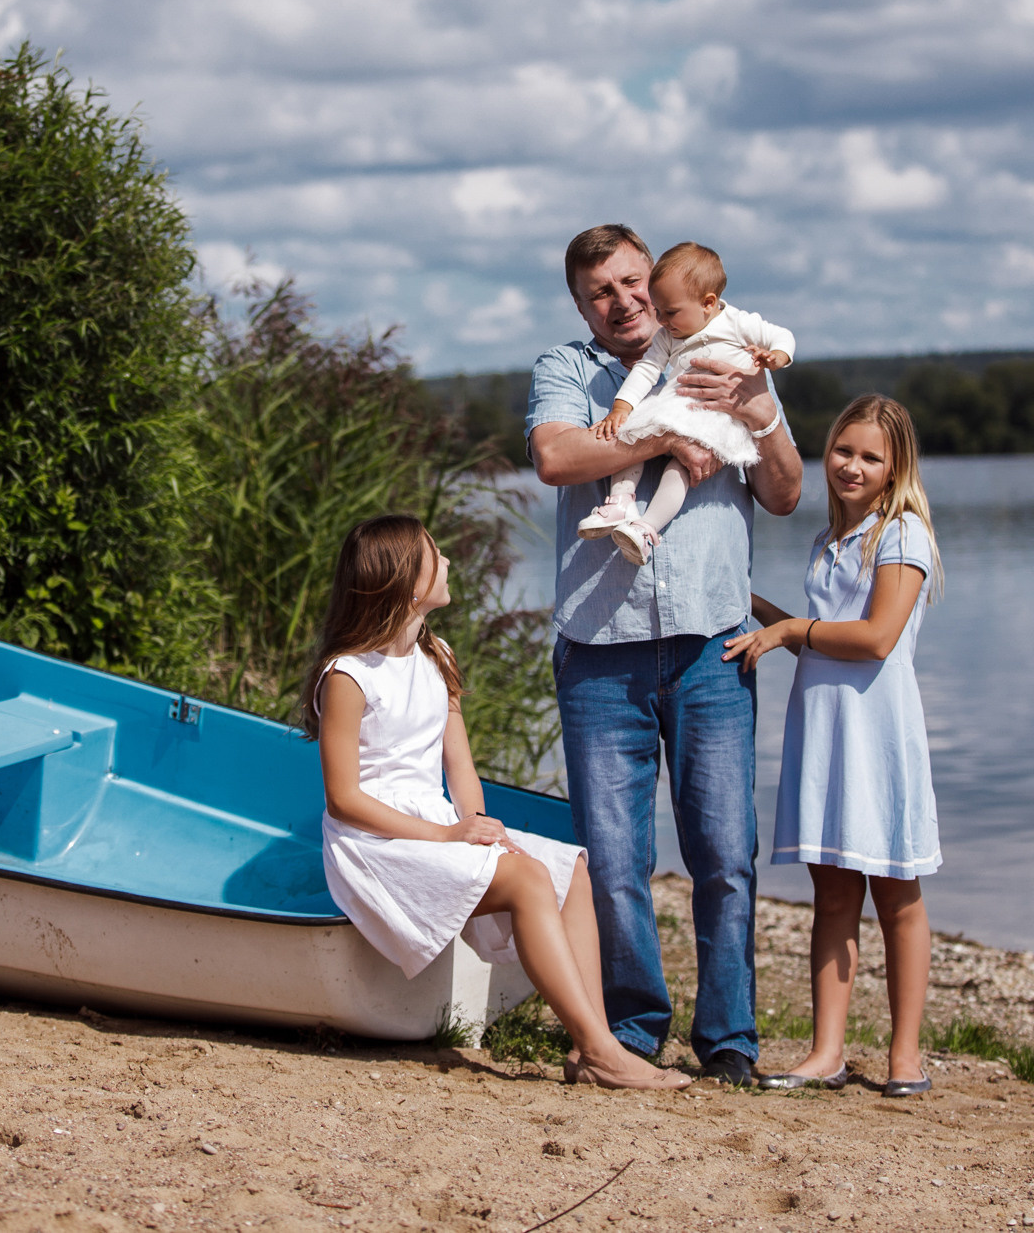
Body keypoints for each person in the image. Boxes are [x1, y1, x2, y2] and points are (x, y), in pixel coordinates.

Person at [526, 224, 802, 1086]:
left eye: (633, 281)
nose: (624, 300)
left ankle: (729, 1043)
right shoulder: (566, 370)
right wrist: (661, 435)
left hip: (712, 645)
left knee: (724, 854)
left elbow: (786, 491)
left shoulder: (729, 355)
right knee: (613, 860)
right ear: (581, 304)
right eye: (601, 290)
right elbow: (555, 454)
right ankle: (633, 1031)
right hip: (598, 650)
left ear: (659, 280)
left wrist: (754, 407)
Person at [307, 514, 689, 1090]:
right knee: (529, 880)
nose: (450, 562)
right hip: (378, 845)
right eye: (436, 554)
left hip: (435, 825)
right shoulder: (348, 675)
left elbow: (460, 770)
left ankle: (593, 1045)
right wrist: (447, 837)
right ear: (408, 583)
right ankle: (602, 1052)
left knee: (570, 868)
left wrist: (480, 825)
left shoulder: (437, 656)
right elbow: (343, 800)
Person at [724, 394, 944, 1096]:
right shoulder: (827, 541)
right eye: (844, 450)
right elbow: (827, 634)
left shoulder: (901, 534)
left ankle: (904, 1054)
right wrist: (759, 608)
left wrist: (790, 633)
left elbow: (875, 636)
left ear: (895, 467)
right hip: (823, 732)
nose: (852, 465)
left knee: (898, 893)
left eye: (871, 456)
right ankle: (826, 1051)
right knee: (834, 893)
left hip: (877, 734)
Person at [582, 241, 795, 566]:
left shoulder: (738, 323)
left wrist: (777, 356)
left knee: (680, 468)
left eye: (671, 312)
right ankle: (620, 502)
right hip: (677, 407)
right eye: (659, 310)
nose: (662, 320)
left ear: (708, 303)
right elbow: (647, 369)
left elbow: (781, 336)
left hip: (718, 418)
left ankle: (646, 527)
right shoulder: (670, 335)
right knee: (632, 432)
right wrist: (622, 407)